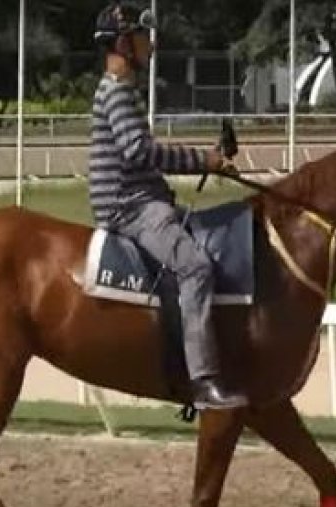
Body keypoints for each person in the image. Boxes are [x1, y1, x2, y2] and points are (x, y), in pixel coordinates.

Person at [89, 1, 248, 410]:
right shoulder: (118, 93)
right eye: (143, 36)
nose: (151, 44)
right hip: (131, 208)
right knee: (195, 267)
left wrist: (209, 159)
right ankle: (202, 380)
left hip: (142, 199)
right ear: (124, 43)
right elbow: (139, 151)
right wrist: (203, 160)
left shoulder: (122, 90)